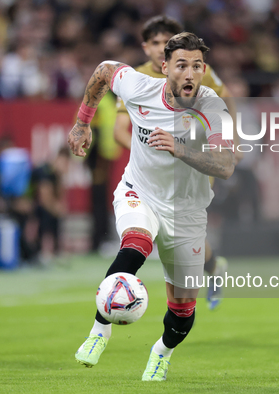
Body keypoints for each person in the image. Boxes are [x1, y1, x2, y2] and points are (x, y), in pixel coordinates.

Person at [68, 32, 235, 381]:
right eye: (181, 65)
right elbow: (103, 71)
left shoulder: (212, 107)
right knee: (135, 243)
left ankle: (161, 352)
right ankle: (99, 332)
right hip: (139, 192)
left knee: (183, 307)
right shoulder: (140, 87)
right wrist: (83, 123)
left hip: (187, 212)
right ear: (165, 67)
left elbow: (225, 165)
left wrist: (181, 148)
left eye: (197, 66)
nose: (190, 74)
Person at [113, 15, 231, 310]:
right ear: (148, 49)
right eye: (154, 44)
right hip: (153, 173)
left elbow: (224, 104)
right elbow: (119, 130)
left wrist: (229, 139)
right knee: (146, 231)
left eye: (163, 42)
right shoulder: (137, 79)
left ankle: (213, 268)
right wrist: (152, 149)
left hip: (195, 164)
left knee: (187, 227)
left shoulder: (202, 75)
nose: (157, 49)